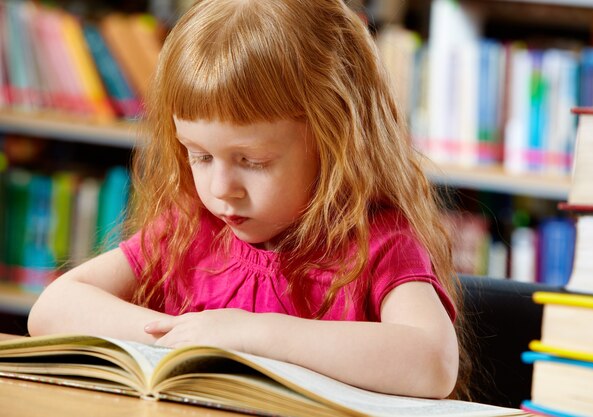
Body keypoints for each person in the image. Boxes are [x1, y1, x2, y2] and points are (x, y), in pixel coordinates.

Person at [28, 0, 471, 400]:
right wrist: (184, 338)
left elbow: (432, 363)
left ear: (334, 142)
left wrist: (251, 334)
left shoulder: (378, 242)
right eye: (199, 155)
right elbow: (51, 309)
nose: (221, 188)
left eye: (253, 160)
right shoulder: (191, 227)